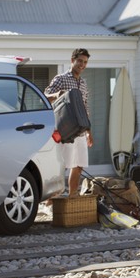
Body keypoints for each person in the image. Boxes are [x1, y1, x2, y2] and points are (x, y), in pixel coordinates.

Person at [45, 48, 93, 197]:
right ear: (72, 60)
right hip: (65, 130)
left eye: (85, 62)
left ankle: (72, 196)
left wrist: (89, 132)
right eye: (80, 61)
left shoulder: (83, 83)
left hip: (81, 131)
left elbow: (85, 107)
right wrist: (57, 94)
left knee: (79, 165)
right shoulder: (60, 79)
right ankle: (52, 199)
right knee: (63, 165)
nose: (82, 65)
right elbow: (45, 95)